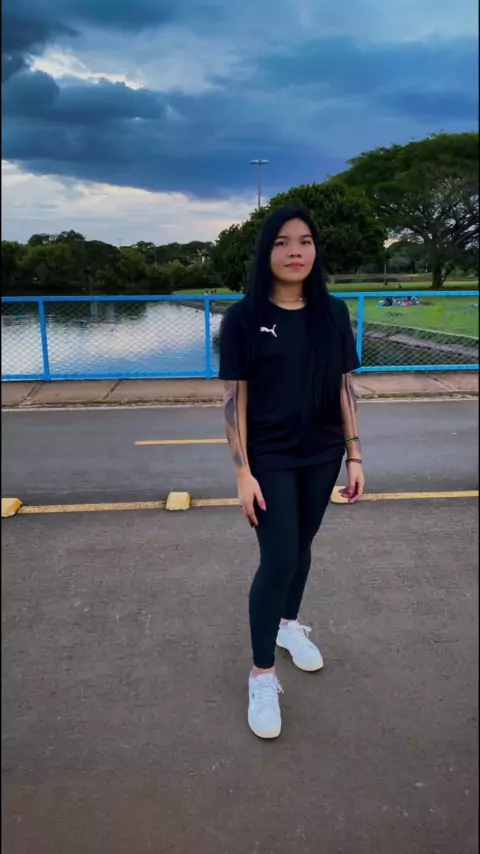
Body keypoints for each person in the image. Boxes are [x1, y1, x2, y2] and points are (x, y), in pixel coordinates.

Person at [219, 206, 365, 739]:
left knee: (301, 546)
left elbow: (344, 387)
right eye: (282, 242)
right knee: (278, 558)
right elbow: (233, 401)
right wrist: (243, 473)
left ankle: (288, 626)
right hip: (270, 458)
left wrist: (354, 454)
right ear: (267, 252)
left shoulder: (333, 313)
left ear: (315, 250)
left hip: (322, 453)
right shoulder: (243, 318)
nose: (295, 251)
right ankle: (261, 675)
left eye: (304, 241)